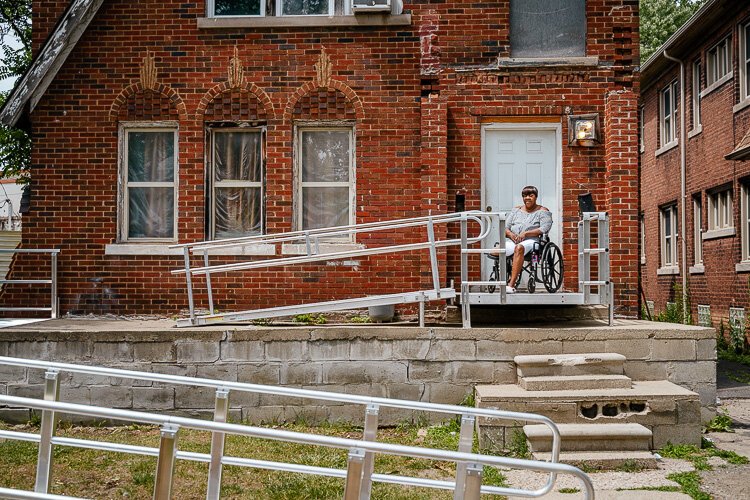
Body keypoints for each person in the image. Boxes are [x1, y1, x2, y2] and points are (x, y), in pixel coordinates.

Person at [503, 186, 552, 293]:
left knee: (519, 248)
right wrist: (511, 235)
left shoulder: (542, 211)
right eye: (525, 196)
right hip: (514, 240)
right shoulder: (516, 210)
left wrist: (526, 233)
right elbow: (505, 227)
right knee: (498, 250)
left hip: (532, 241)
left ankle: (511, 285)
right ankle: (502, 279)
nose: (527, 198)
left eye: (531, 195)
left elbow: (545, 228)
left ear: (536, 197)